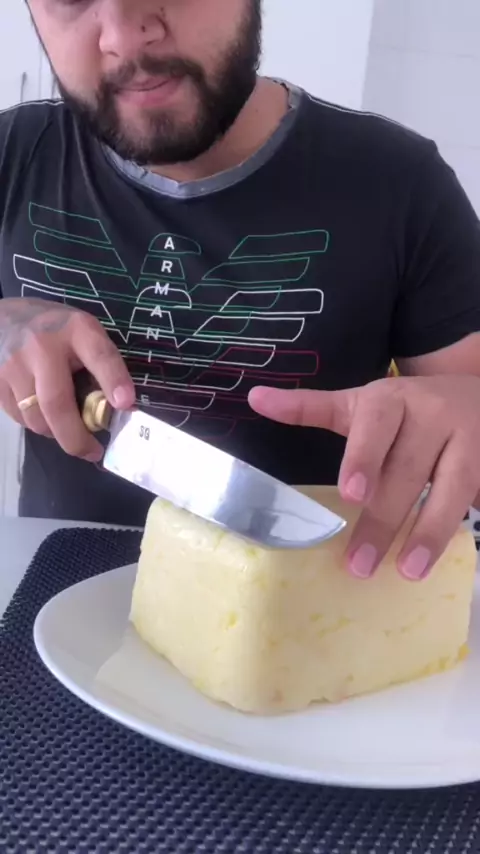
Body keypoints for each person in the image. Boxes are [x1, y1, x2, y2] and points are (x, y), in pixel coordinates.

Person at [1, 0, 480, 582]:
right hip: (51, 591)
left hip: (306, 604)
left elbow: (468, 414)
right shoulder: (13, 152)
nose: (124, 36)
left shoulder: (401, 185)